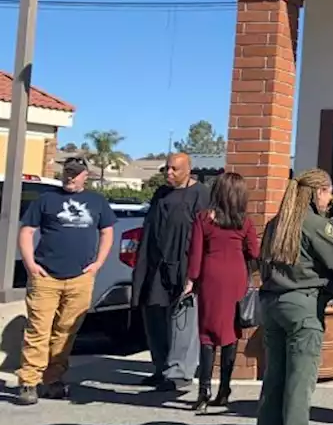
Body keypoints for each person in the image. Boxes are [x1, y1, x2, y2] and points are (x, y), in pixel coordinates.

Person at [257, 168, 333, 425]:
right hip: (303, 308)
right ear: (317, 192)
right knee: (299, 383)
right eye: (328, 192)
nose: (331, 198)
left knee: (274, 380)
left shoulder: (275, 224)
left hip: (271, 305)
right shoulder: (314, 224)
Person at [13, 158, 116, 406]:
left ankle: (53, 380)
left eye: (75, 174)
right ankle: (29, 381)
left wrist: (98, 264)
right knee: (39, 330)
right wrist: (31, 265)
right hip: (45, 276)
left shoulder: (97, 202)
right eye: (67, 174)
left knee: (65, 332)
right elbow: (26, 231)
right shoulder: (46, 200)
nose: (69, 178)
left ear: (85, 176)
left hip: (80, 278)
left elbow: (107, 231)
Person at [133, 152, 209, 391]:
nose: (169, 173)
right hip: (155, 266)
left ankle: (179, 372)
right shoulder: (160, 194)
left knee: (182, 321)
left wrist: (195, 273)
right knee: (154, 316)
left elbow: (204, 234)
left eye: (175, 169)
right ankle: (160, 368)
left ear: (188, 169)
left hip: (184, 266)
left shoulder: (202, 194)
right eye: (166, 168)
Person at [185, 172, 259, 414]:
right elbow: (254, 253)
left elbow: (195, 255)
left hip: (211, 277)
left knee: (206, 334)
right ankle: (224, 389)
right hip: (236, 276)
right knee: (231, 331)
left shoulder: (204, 218)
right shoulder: (245, 222)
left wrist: (191, 279)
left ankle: (203, 391)